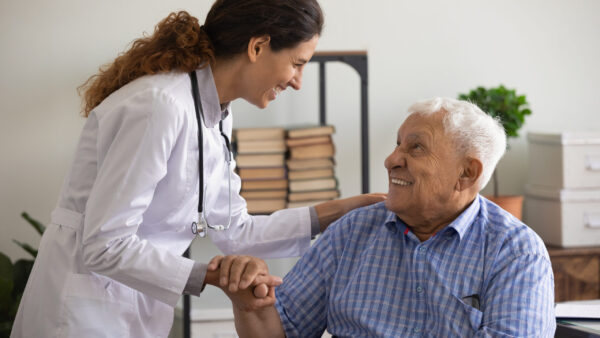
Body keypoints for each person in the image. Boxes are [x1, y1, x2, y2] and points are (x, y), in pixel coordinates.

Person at [10, 1, 384, 337]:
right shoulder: (160, 105)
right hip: (83, 311)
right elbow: (104, 245)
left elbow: (234, 230)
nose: (298, 82)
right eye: (297, 63)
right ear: (257, 47)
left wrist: (342, 211)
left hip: (131, 306)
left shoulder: (216, 114)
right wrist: (212, 276)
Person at [224, 97, 556, 337]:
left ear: (466, 174)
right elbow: (282, 331)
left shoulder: (516, 252)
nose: (391, 159)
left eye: (416, 148)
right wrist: (248, 302)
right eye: (398, 145)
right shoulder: (353, 230)